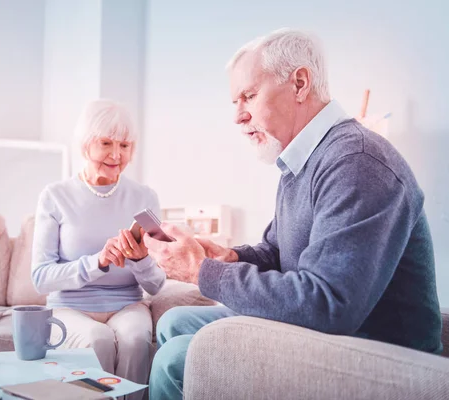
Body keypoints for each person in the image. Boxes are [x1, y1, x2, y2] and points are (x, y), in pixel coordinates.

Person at [145, 28, 442, 400]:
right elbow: (277, 252)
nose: (238, 116)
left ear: (300, 83)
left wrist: (201, 272)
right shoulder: (302, 162)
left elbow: (327, 305)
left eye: (248, 96)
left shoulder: (357, 162)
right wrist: (228, 257)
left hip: (381, 354)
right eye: (235, 102)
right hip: (335, 334)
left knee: (176, 361)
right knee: (175, 321)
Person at [31, 99, 166, 400]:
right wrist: (97, 261)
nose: (116, 155)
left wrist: (141, 259)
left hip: (127, 304)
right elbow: (41, 277)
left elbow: (156, 285)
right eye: (106, 143)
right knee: (98, 339)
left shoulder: (145, 197)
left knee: (134, 338)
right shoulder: (56, 196)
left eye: (125, 145)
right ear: (86, 144)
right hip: (69, 307)